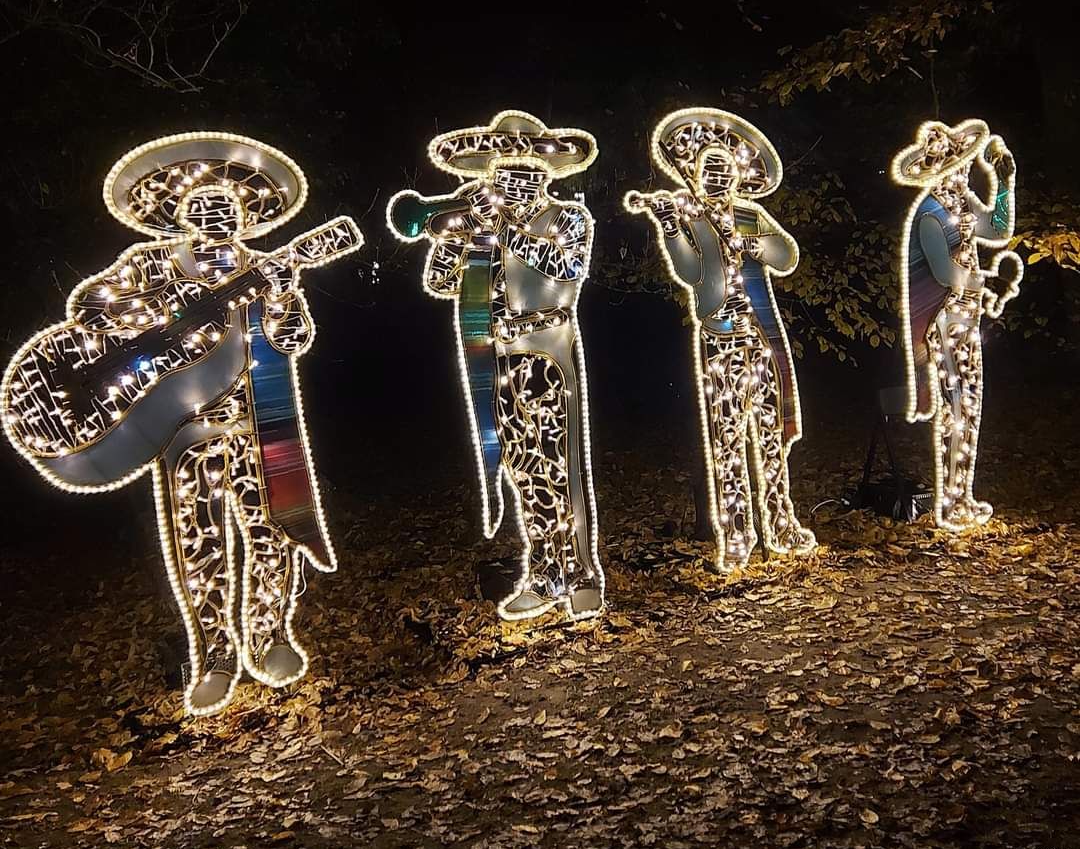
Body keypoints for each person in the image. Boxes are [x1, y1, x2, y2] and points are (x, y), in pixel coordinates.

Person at [2, 133, 361, 714]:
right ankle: (215, 654)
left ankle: (268, 636)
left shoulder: (262, 270)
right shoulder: (150, 263)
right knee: (202, 546)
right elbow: (88, 308)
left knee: (271, 536)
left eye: (226, 205)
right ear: (181, 215)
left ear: (245, 216)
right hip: (181, 431)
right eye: (201, 206)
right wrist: (174, 308)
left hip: (253, 422)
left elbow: (292, 342)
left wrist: (287, 295)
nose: (215, 212)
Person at [388, 111, 605, 621]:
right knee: (524, 468)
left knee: (562, 465)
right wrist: (446, 240)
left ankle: (581, 573)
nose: (513, 184)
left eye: (524, 175)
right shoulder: (483, 231)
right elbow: (444, 286)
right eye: (504, 176)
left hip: (547, 346)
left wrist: (506, 229)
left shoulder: (569, 218)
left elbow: (567, 268)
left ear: (544, 176)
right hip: (497, 355)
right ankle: (545, 570)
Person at [625, 108, 816, 570]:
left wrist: (751, 244)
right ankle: (736, 533)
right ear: (694, 175)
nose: (715, 175)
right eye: (707, 168)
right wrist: (669, 225)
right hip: (721, 341)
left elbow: (787, 256)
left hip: (762, 338)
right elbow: (691, 272)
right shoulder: (693, 218)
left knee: (769, 438)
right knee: (727, 440)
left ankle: (780, 520)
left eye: (722, 168)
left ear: (735, 176)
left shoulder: (750, 214)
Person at [892, 119, 1022, 532]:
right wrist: (987, 281)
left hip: (967, 318)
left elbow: (999, 230)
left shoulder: (962, 207)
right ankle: (951, 502)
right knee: (957, 406)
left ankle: (960, 495)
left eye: (966, 166)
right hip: (944, 321)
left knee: (968, 407)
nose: (963, 174)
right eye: (956, 167)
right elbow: (947, 274)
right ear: (938, 172)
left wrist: (1004, 184)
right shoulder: (930, 214)